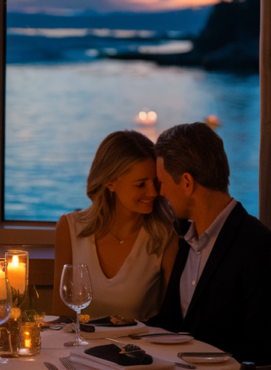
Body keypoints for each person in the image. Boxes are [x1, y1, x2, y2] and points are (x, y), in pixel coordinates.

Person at [149, 121, 271, 365]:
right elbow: (169, 324)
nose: (160, 193)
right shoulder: (185, 242)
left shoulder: (260, 247)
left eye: (162, 182)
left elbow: (267, 350)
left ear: (186, 182)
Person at [53, 130, 178, 320]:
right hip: (80, 348)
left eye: (156, 182)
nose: (153, 192)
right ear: (110, 183)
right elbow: (61, 316)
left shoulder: (165, 237)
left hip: (141, 349)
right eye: (140, 184)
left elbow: (171, 320)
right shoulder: (70, 228)